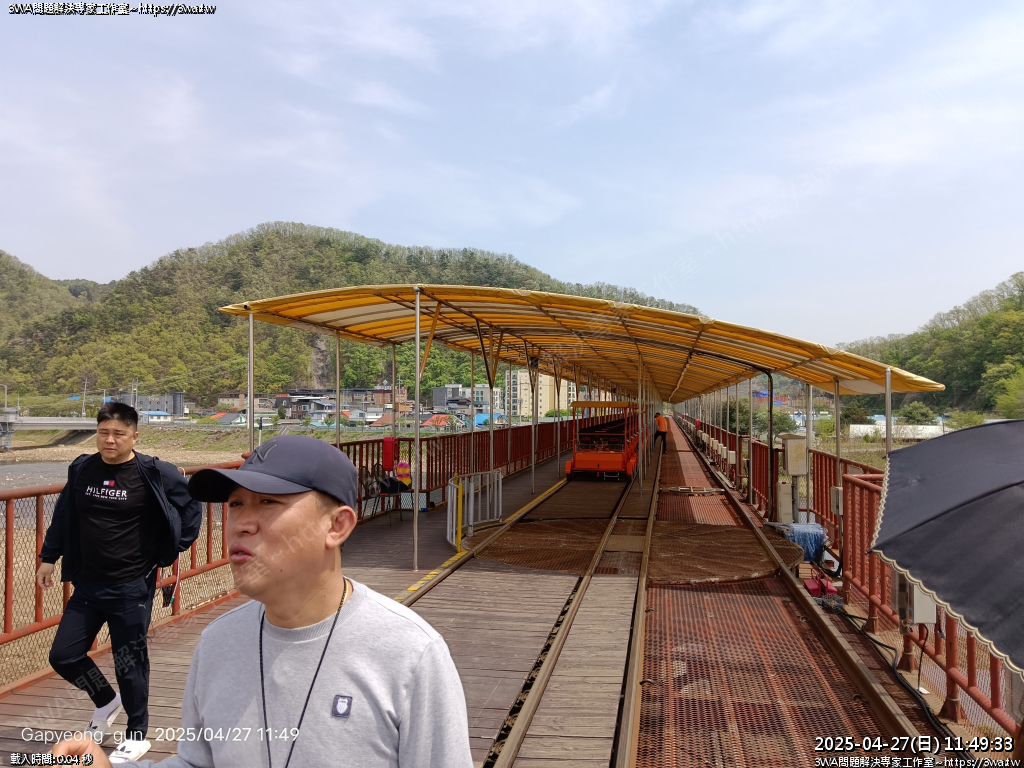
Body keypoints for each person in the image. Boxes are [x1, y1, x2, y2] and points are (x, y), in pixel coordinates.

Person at [53, 434, 474, 768]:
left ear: (337, 526)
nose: (241, 523)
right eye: (236, 504)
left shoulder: (409, 654)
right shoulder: (218, 642)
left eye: (268, 502)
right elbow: (199, 763)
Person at [37, 402, 202, 763]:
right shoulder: (82, 468)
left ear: (134, 436)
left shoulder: (153, 472)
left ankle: (137, 733)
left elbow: (191, 506)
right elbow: (64, 513)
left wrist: (174, 547)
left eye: (118, 434)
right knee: (64, 655)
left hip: (132, 585)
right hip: (88, 583)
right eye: (103, 432)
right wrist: (49, 557)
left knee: (130, 661)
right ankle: (105, 700)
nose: (109, 440)